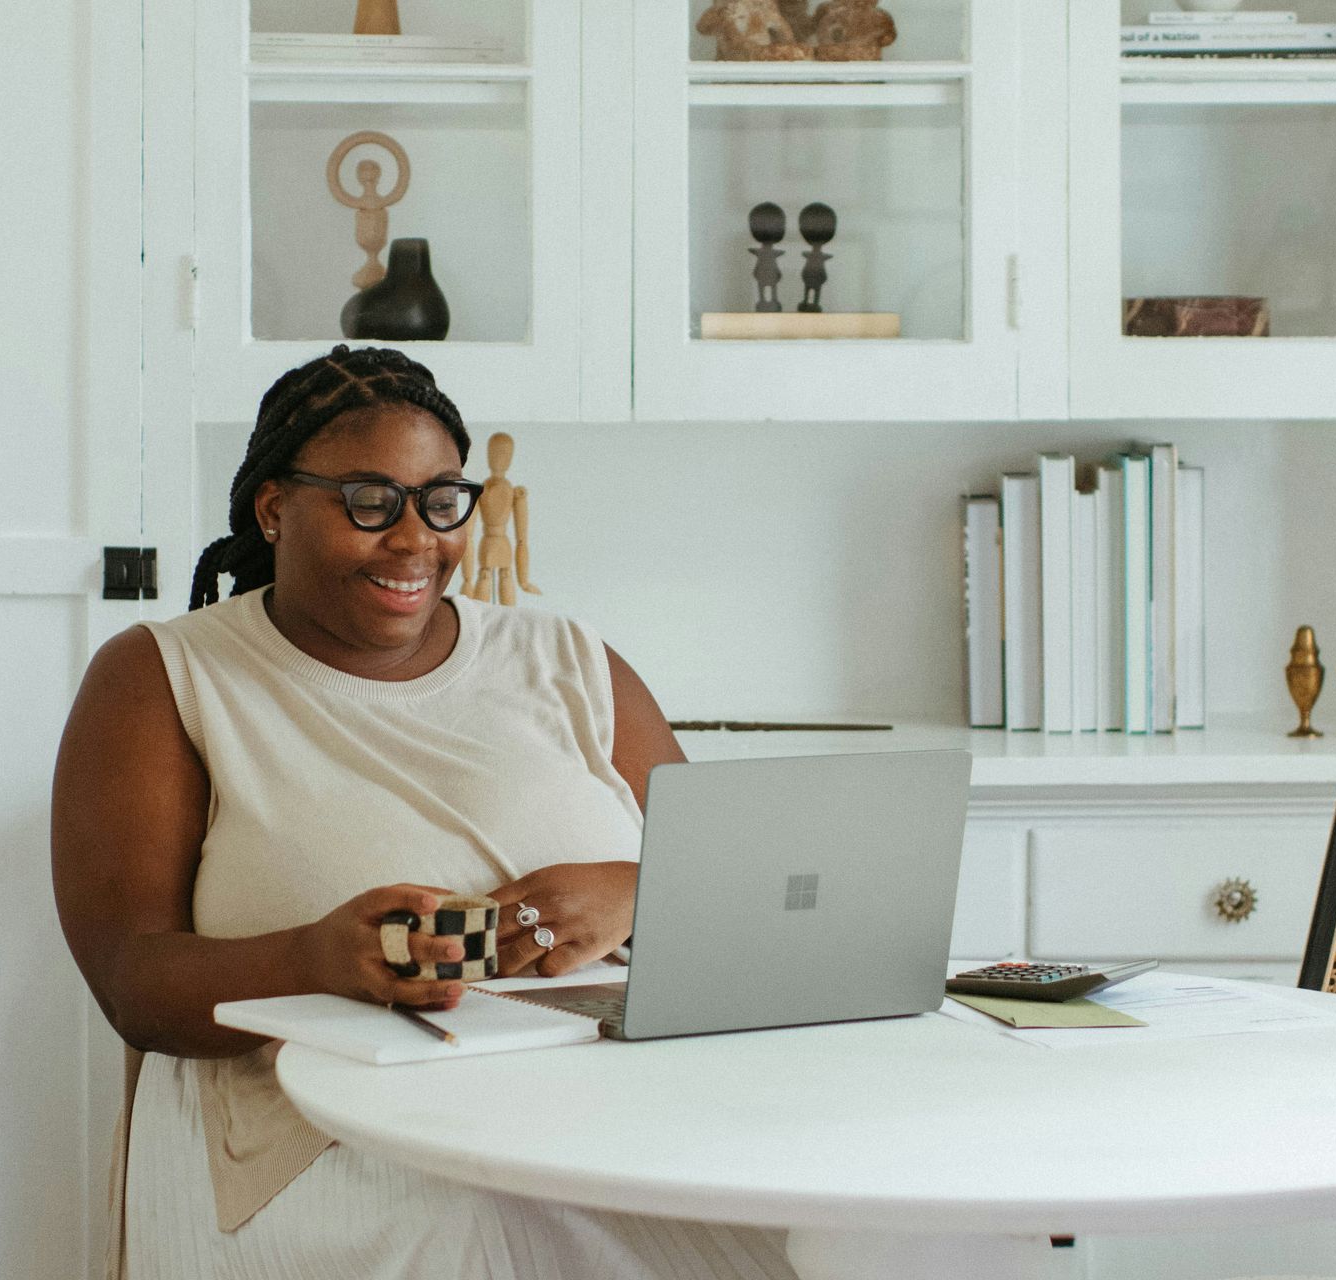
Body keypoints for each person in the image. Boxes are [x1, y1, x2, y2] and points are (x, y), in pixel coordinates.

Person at [51, 346, 794, 1279]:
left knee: (796, 1218)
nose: (415, 540)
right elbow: (131, 981)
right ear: (274, 508)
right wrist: (315, 960)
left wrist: (636, 892)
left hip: (602, 1101)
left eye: (442, 501)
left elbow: (744, 894)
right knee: (484, 1233)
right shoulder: (166, 677)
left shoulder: (568, 659)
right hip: (317, 1123)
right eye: (371, 502)